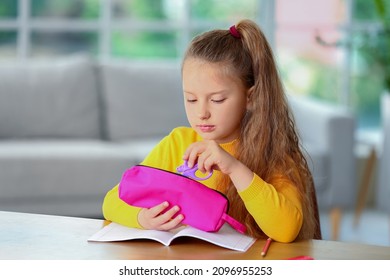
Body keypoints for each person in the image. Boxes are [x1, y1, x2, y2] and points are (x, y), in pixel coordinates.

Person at [102, 19, 321, 243]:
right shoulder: (178, 143)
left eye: (217, 100)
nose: (202, 113)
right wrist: (141, 218)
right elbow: (111, 201)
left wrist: (235, 169)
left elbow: (286, 230)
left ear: (251, 97)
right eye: (191, 99)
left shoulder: (273, 153)